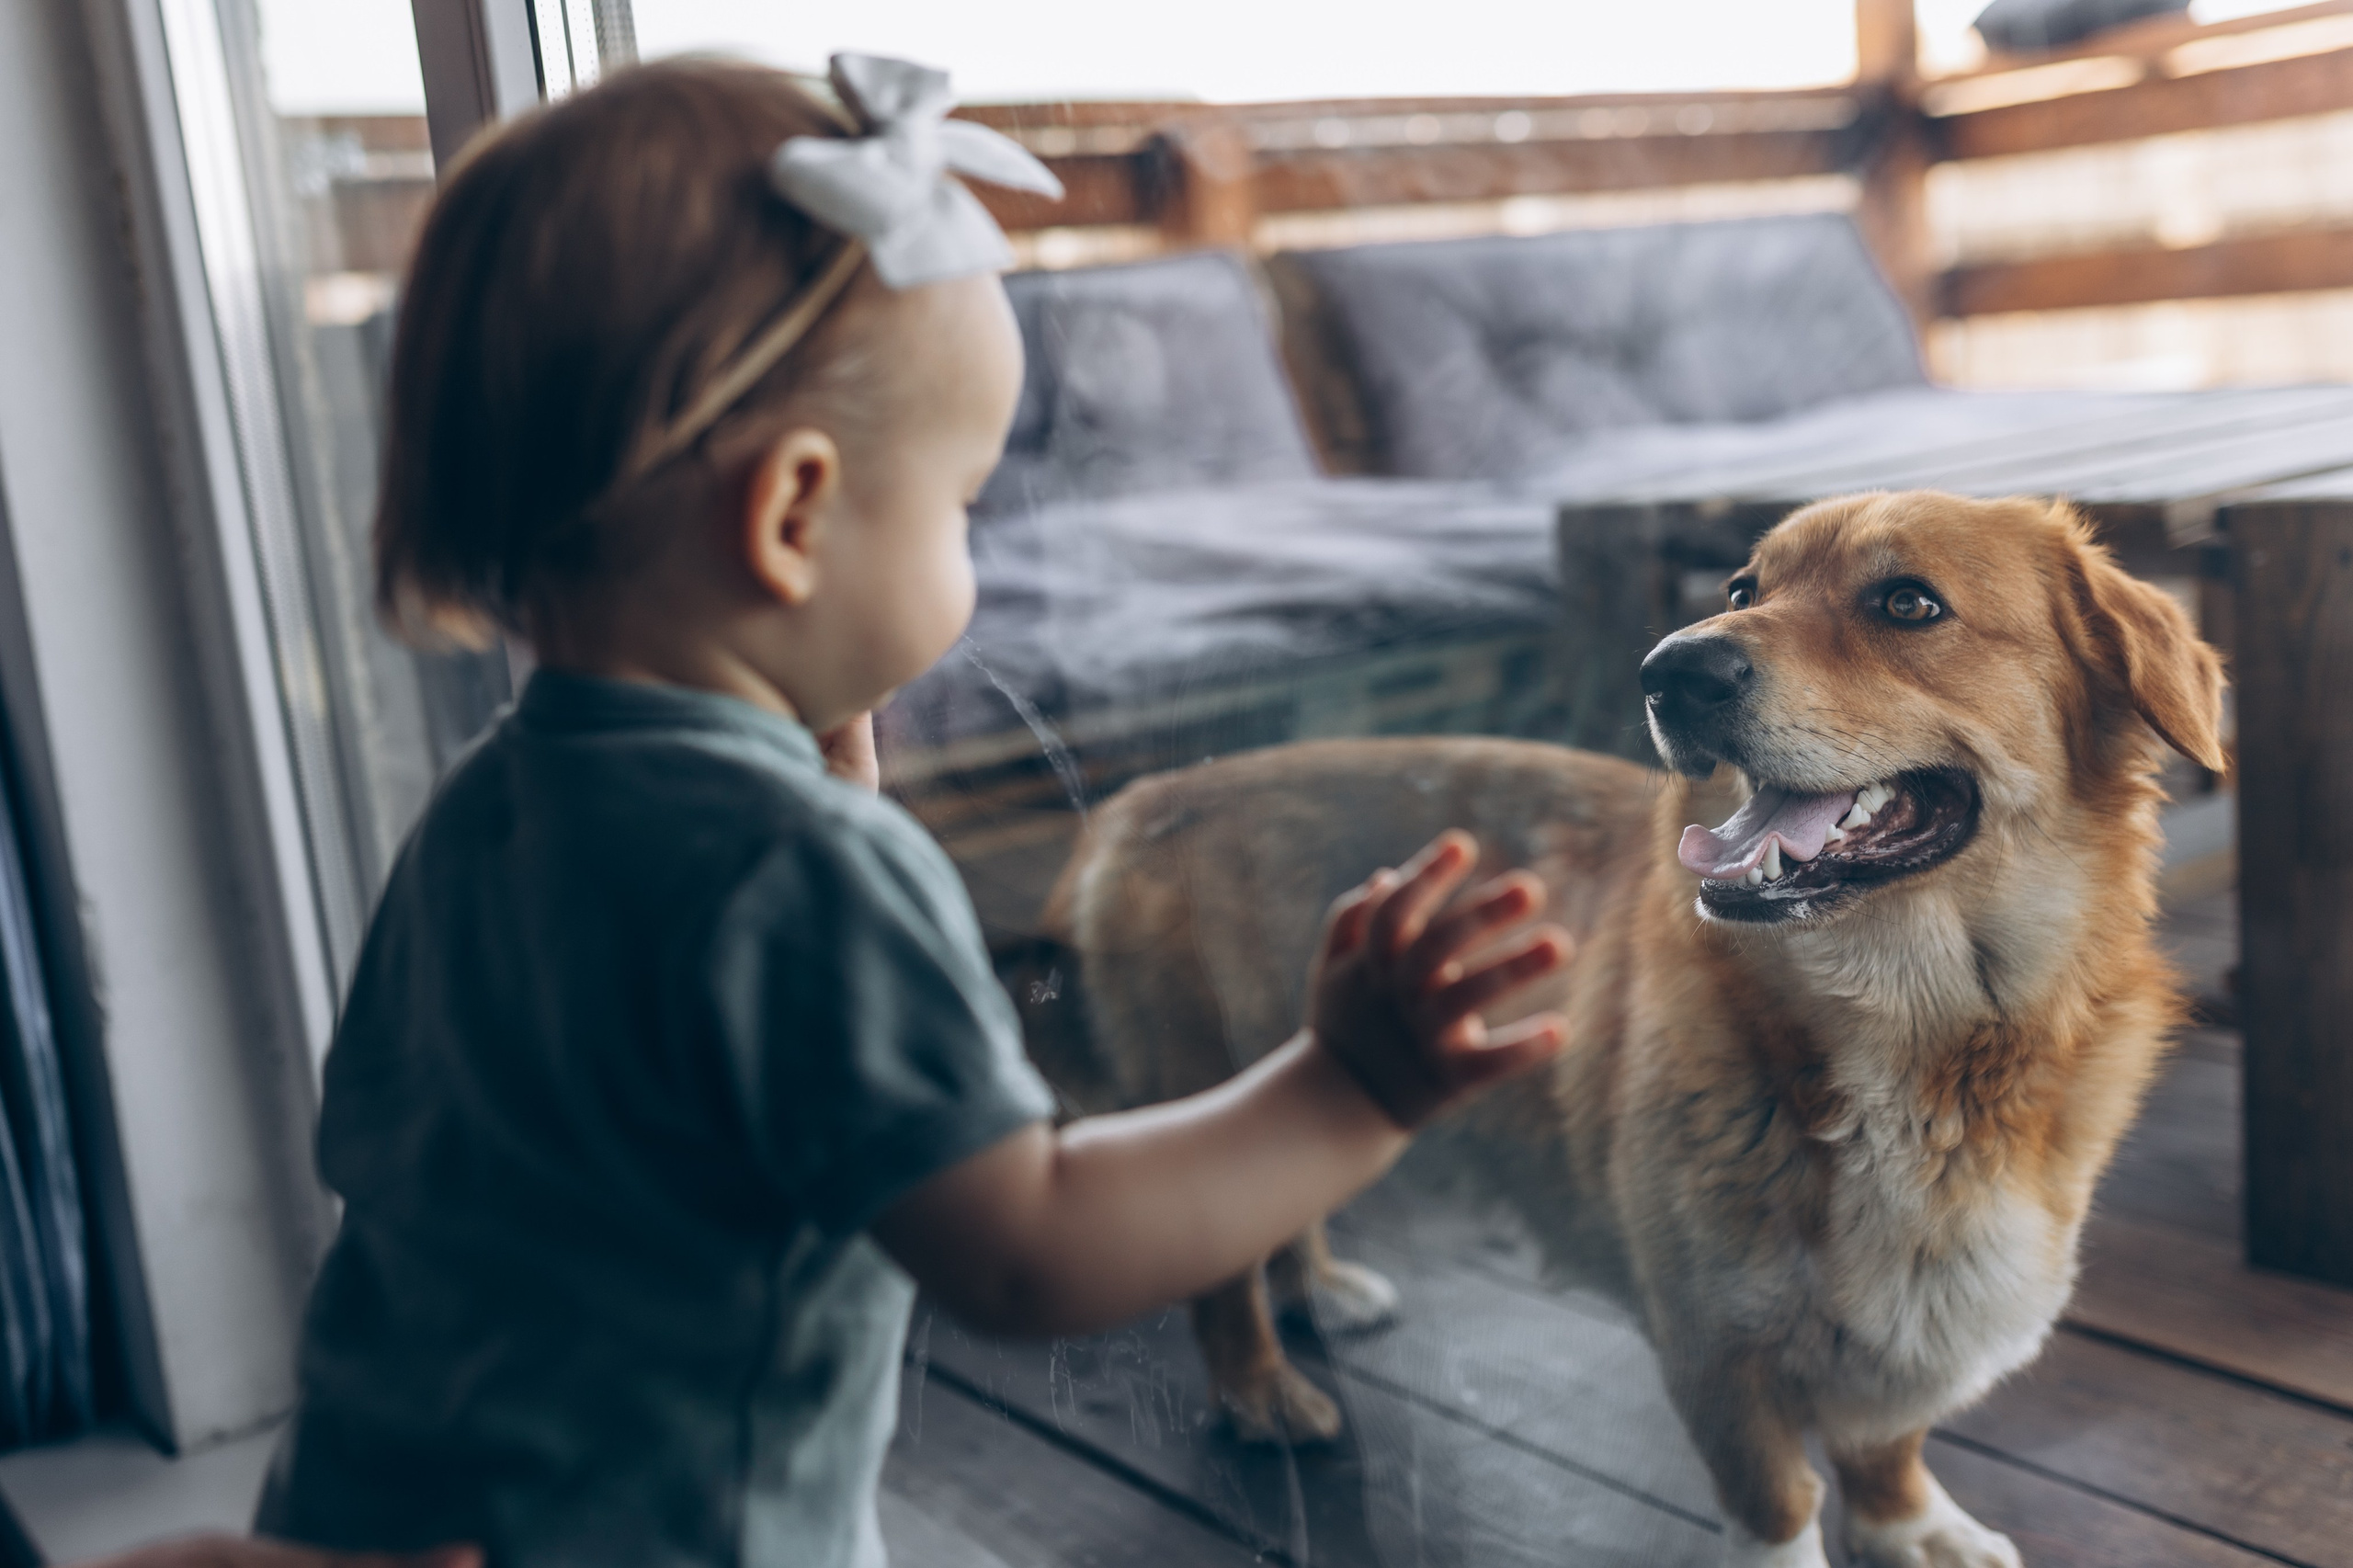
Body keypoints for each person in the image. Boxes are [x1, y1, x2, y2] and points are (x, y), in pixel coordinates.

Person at [254, 52, 1574, 1568]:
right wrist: (1347, 1085)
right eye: (958, 505)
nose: (970, 546)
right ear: (791, 516)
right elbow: (1029, 1246)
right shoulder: (800, 877)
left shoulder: (485, 812)